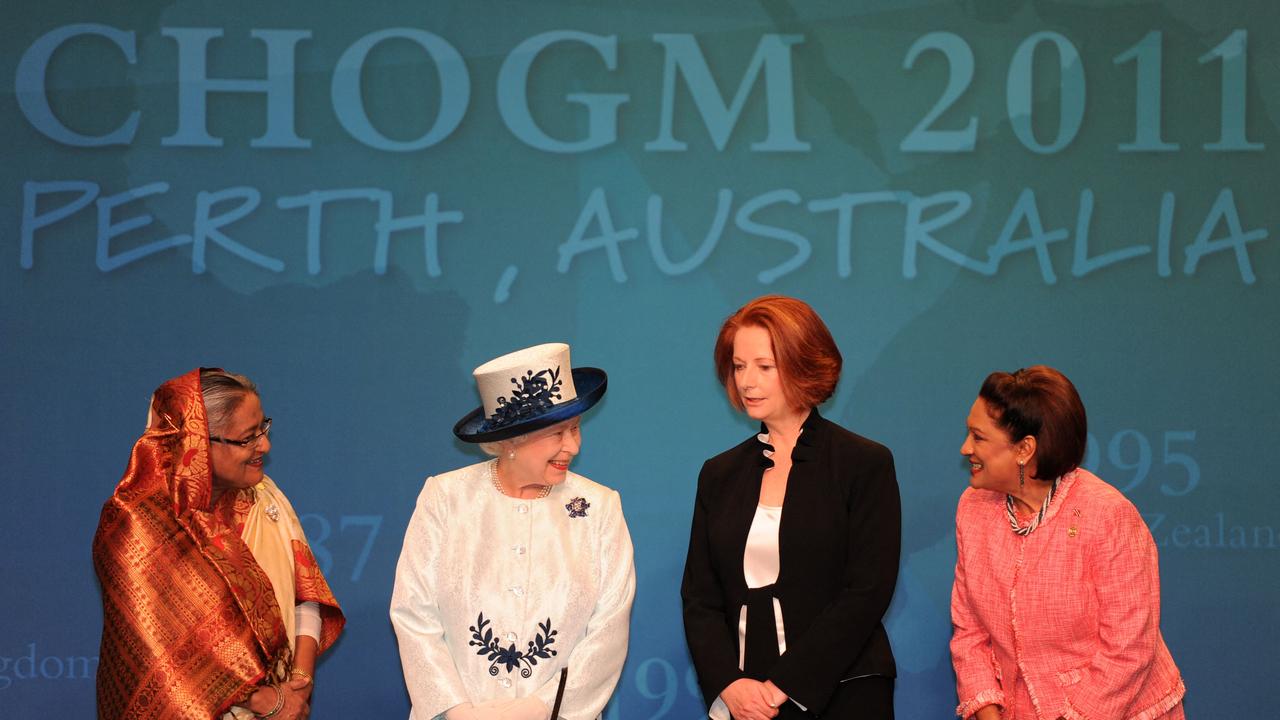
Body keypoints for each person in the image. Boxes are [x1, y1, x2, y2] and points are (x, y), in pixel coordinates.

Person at [682, 295, 901, 720]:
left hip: (845, 692)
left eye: (764, 367)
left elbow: (868, 591)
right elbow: (699, 597)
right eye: (739, 366)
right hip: (745, 702)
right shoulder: (719, 473)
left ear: (804, 364)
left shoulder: (863, 463)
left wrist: (785, 684)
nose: (747, 381)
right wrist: (729, 684)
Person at [391, 343, 635, 720]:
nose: (572, 445)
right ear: (510, 441)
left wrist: (537, 710)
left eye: (575, 428)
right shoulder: (445, 497)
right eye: (557, 433)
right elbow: (414, 614)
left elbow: (608, 630)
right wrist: (457, 712)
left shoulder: (600, 507)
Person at [93, 369, 344, 720]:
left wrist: (299, 683)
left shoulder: (265, 498)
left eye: (263, 429)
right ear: (194, 441)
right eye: (247, 438)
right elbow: (159, 653)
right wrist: (267, 703)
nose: (265, 446)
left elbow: (304, 595)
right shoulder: (136, 522)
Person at [951, 366, 1186, 720]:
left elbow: (1129, 649)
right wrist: (987, 713)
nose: (965, 448)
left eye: (978, 437)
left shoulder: (1106, 515)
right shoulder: (973, 509)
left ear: (1024, 449)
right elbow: (969, 632)